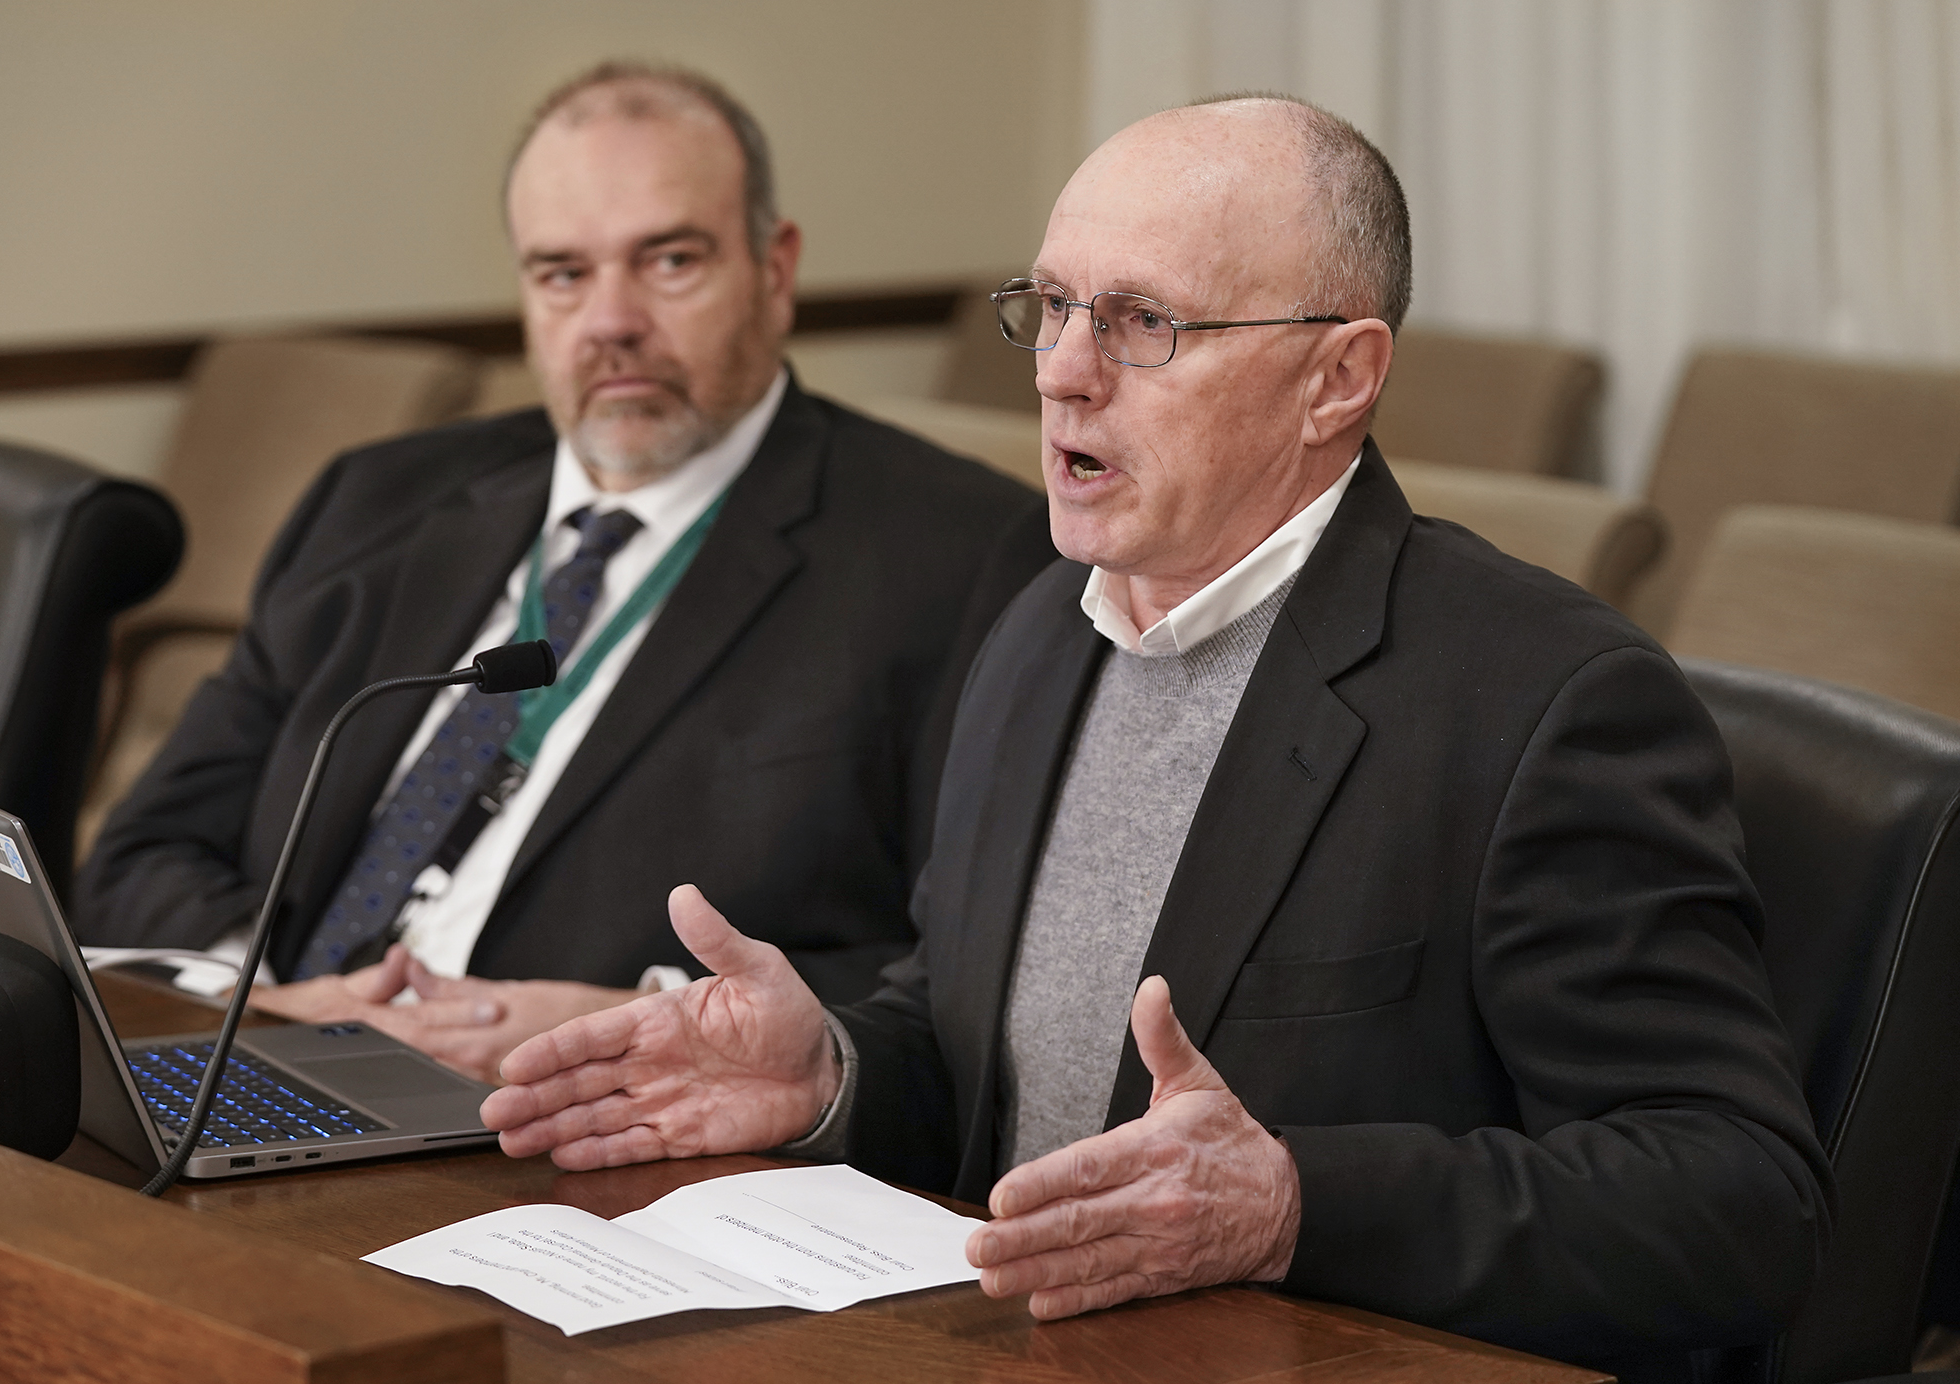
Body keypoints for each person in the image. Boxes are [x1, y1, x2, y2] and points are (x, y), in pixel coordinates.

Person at [478, 95, 1833, 1381]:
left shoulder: (1549, 700)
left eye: (1141, 323)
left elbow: (1737, 1199)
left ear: (1336, 377)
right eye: (1053, 307)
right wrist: (829, 1070)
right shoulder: (1034, 635)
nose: (1062, 375)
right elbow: (984, 1065)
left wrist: (1292, 1200)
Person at [73, 63, 1052, 1084]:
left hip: (588, 1136)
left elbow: (973, 972)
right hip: (265, 1075)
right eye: (563, 274)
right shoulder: (376, 502)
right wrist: (274, 1000)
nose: (611, 320)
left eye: (669, 260)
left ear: (775, 267)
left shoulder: (962, 557)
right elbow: (138, 860)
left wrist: (648, 1021)